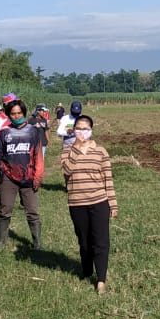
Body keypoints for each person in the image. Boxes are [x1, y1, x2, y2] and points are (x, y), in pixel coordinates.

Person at [61, 113, 117, 294]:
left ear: (91, 130)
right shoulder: (67, 151)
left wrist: (113, 203)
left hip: (99, 201)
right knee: (84, 242)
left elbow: (108, 179)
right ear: (73, 130)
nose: (82, 132)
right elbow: (67, 170)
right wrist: (76, 146)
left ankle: (101, 279)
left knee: (101, 242)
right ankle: (86, 270)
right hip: (77, 203)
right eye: (79, 128)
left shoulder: (101, 151)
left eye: (85, 129)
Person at [0, 97, 45, 250]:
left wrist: (38, 176)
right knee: (5, 210)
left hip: (28, 177)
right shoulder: (4, 133)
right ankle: (1, 242)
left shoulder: (33, 132)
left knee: (32, 211)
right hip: (8, 177)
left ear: (24, 113)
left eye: (19, 113)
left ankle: (37, 243)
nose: (16, 116)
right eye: (13, 113)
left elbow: (38, 155)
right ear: (8, 114)